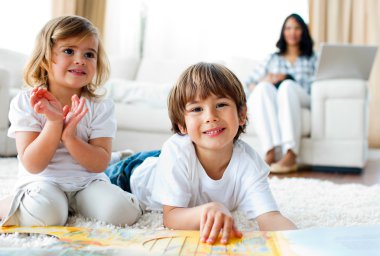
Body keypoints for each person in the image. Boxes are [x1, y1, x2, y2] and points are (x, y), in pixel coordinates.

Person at [106, 62, 296, 245]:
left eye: (221, 104)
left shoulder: (249, 163)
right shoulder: (177, 152)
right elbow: (171, 217)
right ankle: (118, 156)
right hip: (131, 172)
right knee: (94, 176)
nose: (210, 116)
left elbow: (270, 217)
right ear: (182, 124)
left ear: (241, 114)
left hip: (170, 160)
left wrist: (303, 242)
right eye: (197, 109)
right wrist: (209, 210)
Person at [0, 15, 142, 227]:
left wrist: (70, 137)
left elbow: (99, 163)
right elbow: (32, 163)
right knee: (46, 217)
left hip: (87, 181)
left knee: (122, 214)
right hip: (43, 180)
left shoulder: (101, 106)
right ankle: (10, 204)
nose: (80, 60)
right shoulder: (27, 102)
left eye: (89, 54)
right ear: (46, 59)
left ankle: (80, 199)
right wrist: (54, 124)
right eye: (69, 51)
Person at [246, 13, 318, 173]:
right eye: (288, 28)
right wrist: (265, 80)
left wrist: (288, 78)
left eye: (297, 28)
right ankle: (271, 151)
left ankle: (291, 153)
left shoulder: (312, 58)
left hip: (302, 95)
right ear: (283, 32)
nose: (292, 32)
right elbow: (248, 83)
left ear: (303, 31)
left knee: (287, 87)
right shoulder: (273, 58)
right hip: (276, 97)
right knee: (263, 88)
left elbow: (318, 83)